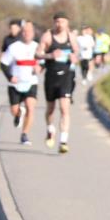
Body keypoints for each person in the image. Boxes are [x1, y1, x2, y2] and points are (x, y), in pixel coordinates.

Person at [37, 11, 79, 153]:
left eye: (62, 21)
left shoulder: (71, 36)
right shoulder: (48, 36)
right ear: (53, 22)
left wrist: (74, 57)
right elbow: (37, 54)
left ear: (67, 22)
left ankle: (63, 141)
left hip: (66, 76)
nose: (59, 24)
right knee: (50, 109)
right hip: (51, 76)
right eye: (56, 21)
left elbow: (76, 52)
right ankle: (50, 129)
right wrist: (49, 55)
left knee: (64, 108)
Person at [0, 21, 40, 145]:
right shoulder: (14, 47)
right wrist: (10, 76)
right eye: (24, 31)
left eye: (29, 31)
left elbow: (43, 62)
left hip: (31, 82)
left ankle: (24, 135)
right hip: (15, 84)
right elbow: (3, 64)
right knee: (14, 110)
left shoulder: (37, 47)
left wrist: (40, 68)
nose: (27, 33)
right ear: (21, 33)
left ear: (33, 33)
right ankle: (18, 113)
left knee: (30, 107)